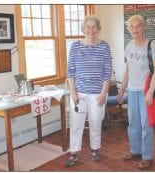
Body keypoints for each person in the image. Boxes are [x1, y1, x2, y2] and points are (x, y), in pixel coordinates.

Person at [117, 14, 155, 169]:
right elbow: (128, 69)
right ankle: (135, 150)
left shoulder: (152, 45)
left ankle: (147, 156)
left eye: (138, 26)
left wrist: (150, 92)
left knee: (146, 125)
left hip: (145, 92)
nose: (135, 29)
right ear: (129, 29)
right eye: (132, 27)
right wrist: (122, 89)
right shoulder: (129, 46)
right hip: (132, 90)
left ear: (143, 28)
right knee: (133, 124)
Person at [66, 15, 112, 166]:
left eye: (94, 27)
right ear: (83, 29)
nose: (91, 30)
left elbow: (107, 71)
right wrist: (73, 92)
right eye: (88, 27)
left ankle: (95, 149)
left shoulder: (104, 46)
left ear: (98, 29)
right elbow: (70, 71)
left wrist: (104, 93)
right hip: (78, 93)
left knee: (95, 121)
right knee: (76, 123)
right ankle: (73, 151)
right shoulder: (75, 46)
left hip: (97, 93)